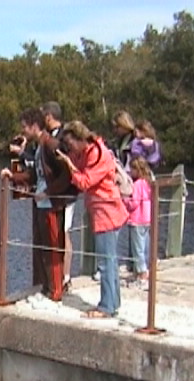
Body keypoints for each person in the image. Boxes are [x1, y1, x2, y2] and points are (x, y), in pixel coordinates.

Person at [2, 108, 77, 310]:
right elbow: (35, 175)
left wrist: (50, 192)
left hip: (51, 204)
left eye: (25, 127)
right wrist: (13, 176)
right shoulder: (39, 146)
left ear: (35, 126)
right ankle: (47, 288)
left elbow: (67, 174)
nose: (23, 131)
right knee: (44, 247)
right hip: (41, 204)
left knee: (53, 247)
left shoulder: (51, 145)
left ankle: (56, 292)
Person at [56, 120, 129, 318]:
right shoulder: (87, 152)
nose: (71, 149)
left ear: (81, 139)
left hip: (106, 210)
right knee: (110, 260)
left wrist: (69, 165)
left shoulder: (99, 154)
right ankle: (113, 302)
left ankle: (106, 307)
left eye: (71, 144)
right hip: (102, 209)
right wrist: (66, 156)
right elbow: (79, 164)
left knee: (105, 261)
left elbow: (85, 181)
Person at [42, 101, 75, 292]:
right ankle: (57, 275)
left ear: (49, 117)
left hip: (65, 194)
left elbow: (67, 167)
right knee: (57, 233)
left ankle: (65, 276)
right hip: (54, 194)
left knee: (65, 233)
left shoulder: (64, 137)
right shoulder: (47, 138)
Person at [123, 156, 152, 289]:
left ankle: (142, 275)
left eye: (132, 169)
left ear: (137, 170)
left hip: (137, 219)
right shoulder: (148, 182)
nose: (130, 171)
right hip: (147, 219)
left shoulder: (138, 184)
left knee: (137, 249)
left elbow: (134, 204)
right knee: (144, 247)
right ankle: (143, 270)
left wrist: (124, 199)